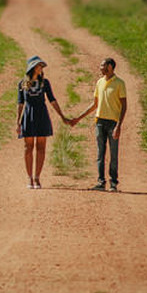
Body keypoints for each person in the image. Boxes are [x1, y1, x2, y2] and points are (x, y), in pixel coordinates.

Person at [69, 57, 127, 191]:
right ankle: (101, 182)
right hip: (100, 122)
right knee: (100, 154)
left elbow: (124, 106)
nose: (100, 68)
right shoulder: (99, 82)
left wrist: (119, 126)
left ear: (110, 67)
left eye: (102, 65)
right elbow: (95, 104)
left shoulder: (120, 83)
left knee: (113, 154)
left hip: (113, 123)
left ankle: (113, 183)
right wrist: (79, 118)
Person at [16, 55, 71, 189]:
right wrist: (18, 122)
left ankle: (37, 177)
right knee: (28, 147)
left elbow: (52, 100)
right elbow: (20, 103)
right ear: (32, 68)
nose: (41, 68)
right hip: (28, 116)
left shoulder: (45, 83)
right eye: (38, 65)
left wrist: (62, 116)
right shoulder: (22, 83)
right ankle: (29, 178)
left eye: (41, 66)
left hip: (41, 115)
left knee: (41, 147)